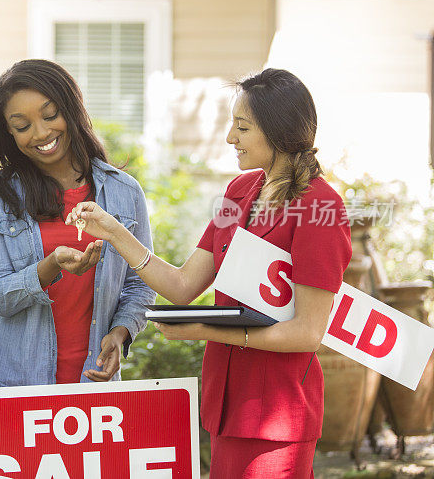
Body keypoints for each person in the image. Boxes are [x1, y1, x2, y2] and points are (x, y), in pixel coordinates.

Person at [66, 68, 352, 478]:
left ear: (279, 131)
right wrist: (114, 232)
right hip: (226, 404)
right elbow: (182, 286)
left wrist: (204, 329)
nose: (230, 138)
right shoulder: (239, 192)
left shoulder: (320, 209)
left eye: (242, 127)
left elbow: (307, 332)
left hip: (277, 415)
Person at [0, 59, 156, 388]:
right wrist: (51, 265)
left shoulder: (124, 193)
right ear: (9, 132)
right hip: (14, 383)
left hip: (93, 381)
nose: (41, 133)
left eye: (50, 115)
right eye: (22, 125)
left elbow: (140, 285)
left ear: (70, 109)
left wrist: (121, 331)